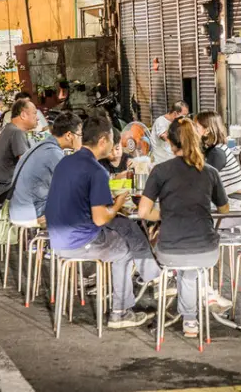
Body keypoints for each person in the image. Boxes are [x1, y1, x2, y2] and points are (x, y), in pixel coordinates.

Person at [45, 114, 162, 329]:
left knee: (126, 226)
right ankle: (121, 312)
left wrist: (114, 202)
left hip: (57, 236)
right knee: (124, 249)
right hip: (77, 241)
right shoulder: (95, 169)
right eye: (111, 140)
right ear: (102, 141)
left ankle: (153, 275)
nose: (115, 145)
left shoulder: (66, 161)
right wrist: (118, 204)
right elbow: (100, 218)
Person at [138, 116, 230, 337]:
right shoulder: (210, 171)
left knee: (184, 263)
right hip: (206, 251)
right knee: (192, 266)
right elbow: (224, 209)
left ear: (170, 142)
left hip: (170, 250)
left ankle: (190, 314)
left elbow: (143, 212)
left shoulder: (160, 171)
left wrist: (166, 213)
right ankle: (197, 309)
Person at [9, 112, 83, 229]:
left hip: (20, 208)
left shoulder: (42, 145)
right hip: (31, 212)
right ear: (69, 135)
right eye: (80, 135)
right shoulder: (53, 153)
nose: (81, 139)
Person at [195, 111, 241, 228]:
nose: (193, 131)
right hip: (222, 204)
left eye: (196, 127)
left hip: (232, 206)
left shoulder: (217, 153)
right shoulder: (211, 150)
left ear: (207, 130)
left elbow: (203, 182)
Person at [0, 99, 37, 203]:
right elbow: (27, 165)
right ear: (23, 115)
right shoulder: (16, 132)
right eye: (34, 113)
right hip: (2, 190)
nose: (37, 118)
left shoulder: (7, 129)